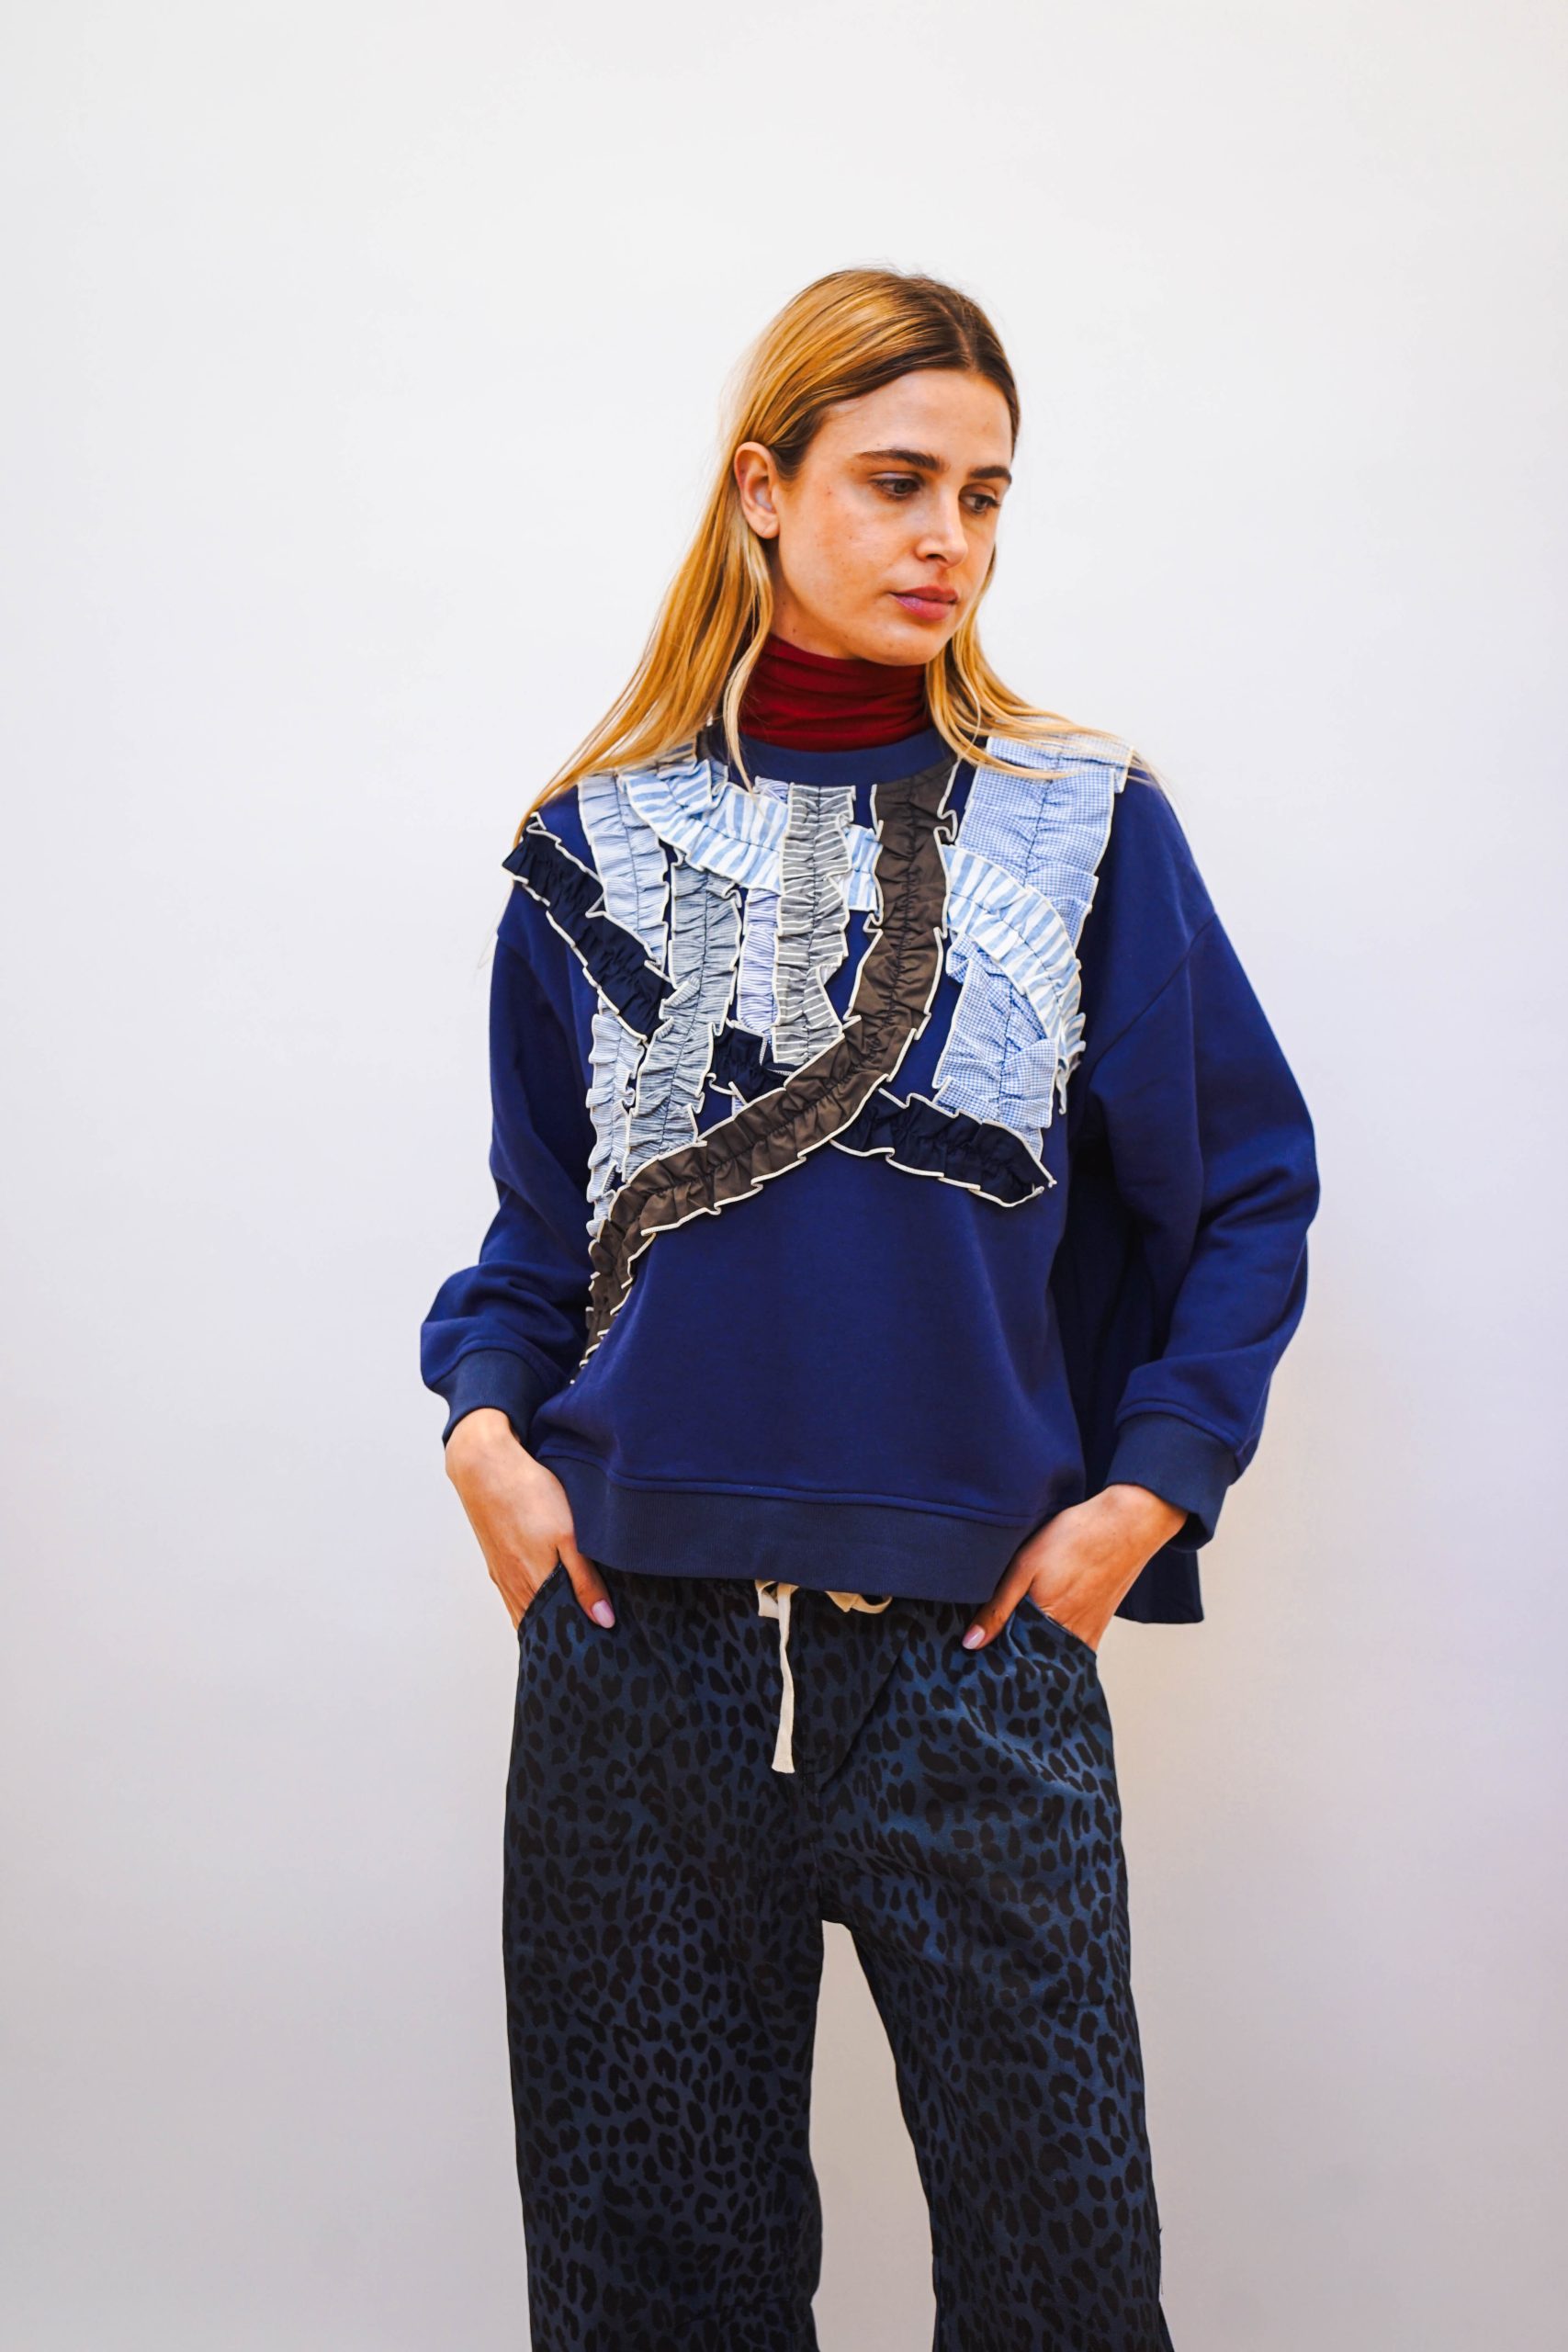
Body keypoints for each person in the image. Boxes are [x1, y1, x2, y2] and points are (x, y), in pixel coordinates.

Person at [419, 266, 1319, 2352]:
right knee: (657, 2296)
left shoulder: (1084, 823)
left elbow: (1246, 1189)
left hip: (973, 1655)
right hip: (637, 1656)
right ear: (765, 487)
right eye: (897, 481)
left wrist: (1147, 1492)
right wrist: (480, 1427)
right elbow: (540, 1231)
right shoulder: (589, 842)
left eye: (983, 496)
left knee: (1060, 2279)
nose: (949, 539)